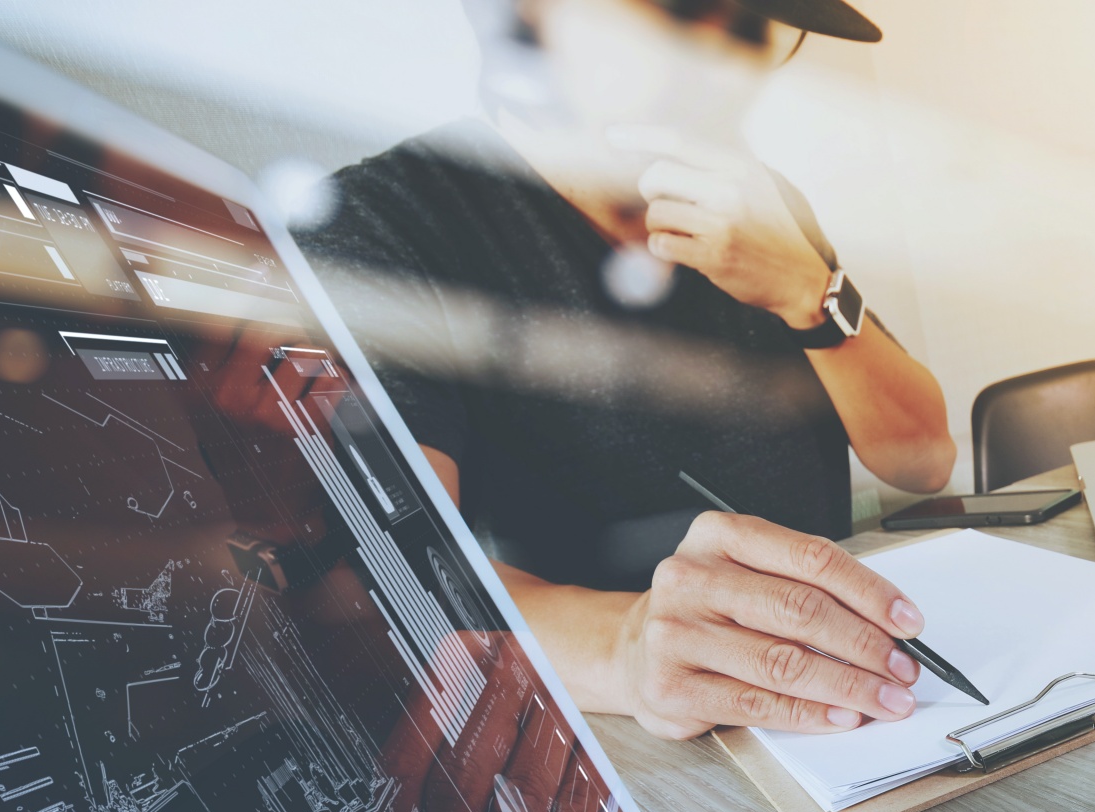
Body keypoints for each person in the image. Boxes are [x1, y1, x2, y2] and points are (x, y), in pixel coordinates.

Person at [304, 0, 955, 741]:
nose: (721, 62)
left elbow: (924, 459)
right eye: (681, 10)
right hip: (617, 746)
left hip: (850, 703)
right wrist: (629, 645)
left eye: (754, 25)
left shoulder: (759, 202)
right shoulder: (383, 223)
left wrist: (809, 290)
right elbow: (393, 578)